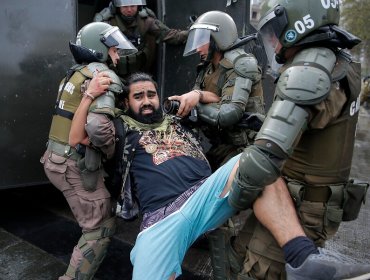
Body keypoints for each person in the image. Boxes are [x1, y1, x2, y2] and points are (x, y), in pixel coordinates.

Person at [70, 72, 370, 280]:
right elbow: (76, 140)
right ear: (127, 103)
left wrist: (195, 94)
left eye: (151, 94)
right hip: (161, 220)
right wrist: (90, 96)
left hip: (206, 195)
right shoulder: (120, 128)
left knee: (255, 163)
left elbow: (216, 100)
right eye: (139, 97)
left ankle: (303, 260)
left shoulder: (175, 114)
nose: (147, 100)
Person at [226, 0, 370, 279]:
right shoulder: (340, 60)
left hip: (297, 206)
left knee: (259, 270)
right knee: (239, 253)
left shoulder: (310, 69)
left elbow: (260, 165)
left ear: (297, 25)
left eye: (276, 33)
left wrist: (232, 201)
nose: (275, 45)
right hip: (298, 201)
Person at [167, 11, 265, 278]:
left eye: (203, 39)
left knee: (219, 214)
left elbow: (229, 113)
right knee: (190, 186)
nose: (198, 46)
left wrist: (195, 105)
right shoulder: (209, 67)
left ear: (218, 38)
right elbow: (212, 98)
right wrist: (189, 102)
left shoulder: (241, 64)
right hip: (222, 147)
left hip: (245, 148)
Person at [40, 22, 137, 280]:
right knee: (99, 229)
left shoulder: (74, 74)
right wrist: (112, 152)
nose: (117, 54)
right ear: (100, 49)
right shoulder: (103, 76)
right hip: (73, 164)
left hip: (55, 158)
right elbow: (97, 126)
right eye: (113, 49)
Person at [94, 0, 188, 78]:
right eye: (125, 6)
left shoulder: (146, 20)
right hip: (113, 74)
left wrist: (191, 33)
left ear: (138, 6)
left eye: (133, 6)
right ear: (117, 7)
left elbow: (170, 35)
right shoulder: (106, 22)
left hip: (140, 73)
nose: (129, 10)